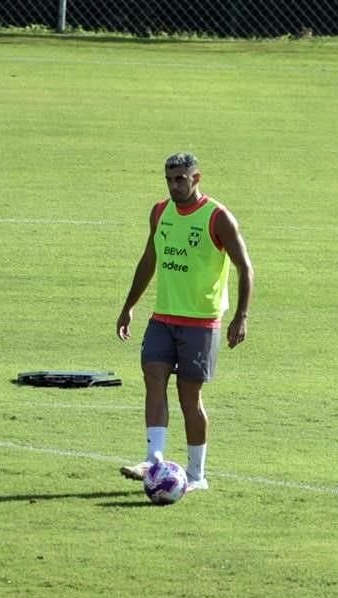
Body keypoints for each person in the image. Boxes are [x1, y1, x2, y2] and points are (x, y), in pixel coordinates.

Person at [116, 152, 253, 492]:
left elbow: (244, 268)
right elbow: (150, 259)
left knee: (189, 398)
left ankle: (196, 475)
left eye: (181, 179)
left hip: (201, 323)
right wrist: (129, 305)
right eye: (169, 179)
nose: (174, 185)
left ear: (196, 178)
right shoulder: (160, 213)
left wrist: (240, 316)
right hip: (163, 316)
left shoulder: (217, 217)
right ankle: (154, 459)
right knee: (153, 378)